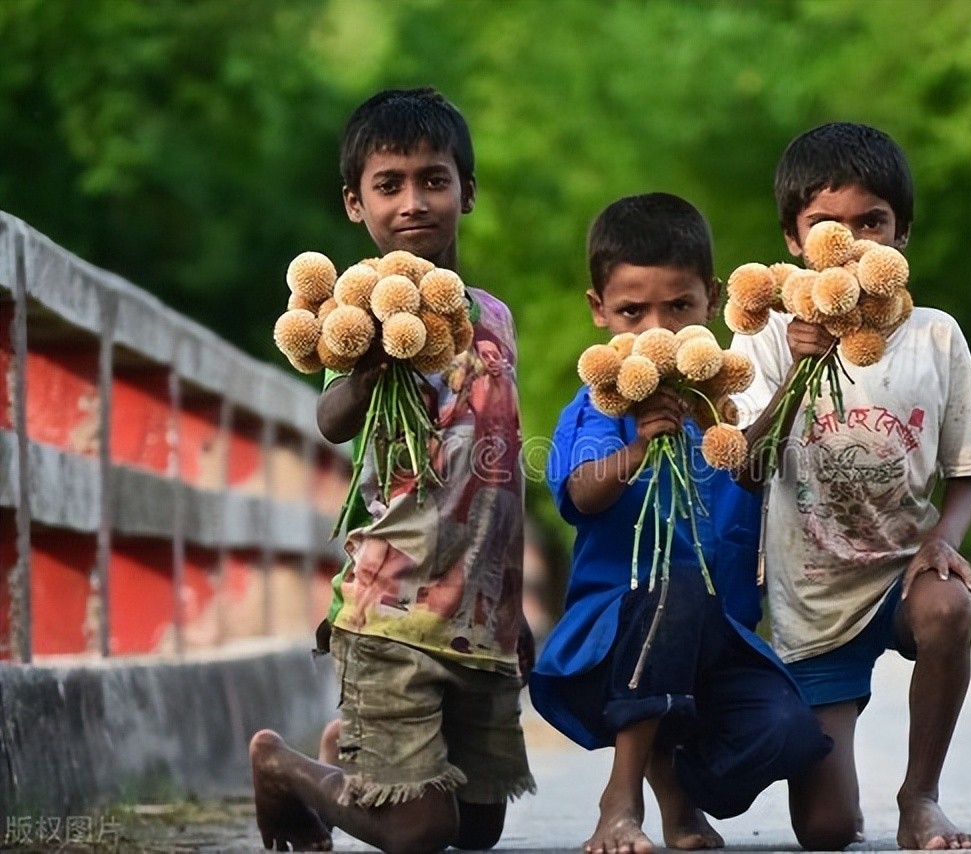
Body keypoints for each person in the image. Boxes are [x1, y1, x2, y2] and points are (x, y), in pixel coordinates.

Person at [248, 87, 534, 854]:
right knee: (418, 831)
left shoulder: (495, 317)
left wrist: (514, 602)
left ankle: (353, 747)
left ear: (466, 192)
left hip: (479, 619)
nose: (414, 202)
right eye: (389, 184)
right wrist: (373, 368)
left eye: (434, 180)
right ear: (355, 203)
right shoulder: (359, 316)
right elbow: (332, 418)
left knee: (478, 830)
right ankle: (283, 768)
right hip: (393, 611)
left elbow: (500, 469)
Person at [531, 193, 832, 854]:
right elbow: (581, 495)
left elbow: (752, 461)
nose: (655, 330)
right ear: (598, 311)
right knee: (676, 581)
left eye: (680, 307)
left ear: (713, 302)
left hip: (712, 648)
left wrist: (804, 367)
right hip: (610, 648)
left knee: (790, 734)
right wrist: (636, 449)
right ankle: (621, 798)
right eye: (631, 312)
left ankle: (679, 782)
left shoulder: (718, 408)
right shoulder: (597, 406)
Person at [731, 122, 971, 851]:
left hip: (901, 577)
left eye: (871, 222)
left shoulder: (936, 335)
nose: (850, 245)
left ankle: (921, 797)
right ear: (792, 239)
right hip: (810, 596)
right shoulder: (761, 334)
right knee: (826, 830)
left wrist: (942, 541)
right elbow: (745, 469)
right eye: (825, 226)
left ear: (901, 234)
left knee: (947, 607)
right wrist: (792, 370)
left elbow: (967, 470)